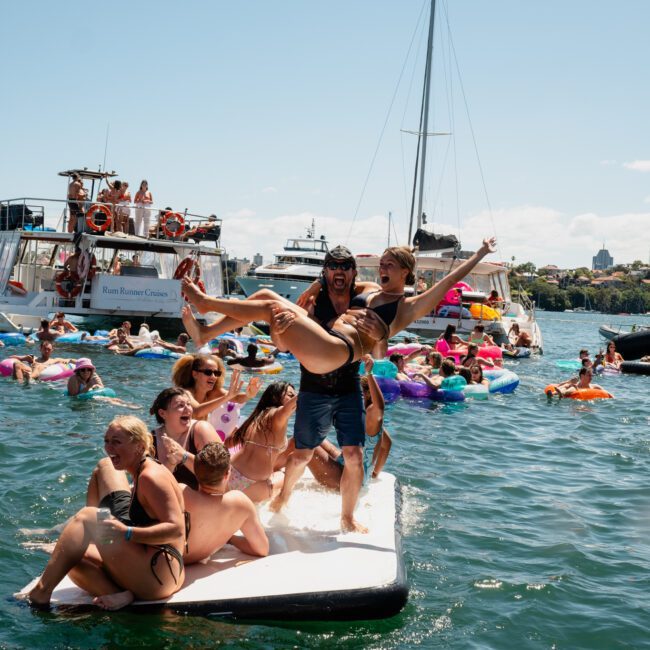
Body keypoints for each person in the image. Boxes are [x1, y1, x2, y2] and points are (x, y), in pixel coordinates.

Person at [180, 237, 497, 376]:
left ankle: (206, 302)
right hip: (324, 337)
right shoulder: (370, 289)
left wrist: (480, 253)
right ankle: (206, 333)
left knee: (273, 311)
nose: (382, 268)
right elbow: (336, 280)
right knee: (263, 293)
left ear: (405, 273)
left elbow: (448, 281)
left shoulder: (407, 307)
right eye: (381, 263)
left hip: (336, 351)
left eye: (389, 264)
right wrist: (318, 283)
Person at [25, 416, 187, 610]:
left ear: (139, 446)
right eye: (106, 441)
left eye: (116, 442)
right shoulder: (144, 468)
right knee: (70, 558)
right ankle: (120, 595)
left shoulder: (151, 477)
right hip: (158, 568)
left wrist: (126, 532)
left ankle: (41, 593)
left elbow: (176, 529)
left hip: (160, 576)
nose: (109, 448)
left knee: (88, 516)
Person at [308, 356, 392, 488]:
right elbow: (387, 444)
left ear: (367, 394)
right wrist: (374, 472)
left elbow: (380, 407)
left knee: (302, 441)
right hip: (349, 466)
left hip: (349, 478)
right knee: (318, 438)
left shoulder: (371, 414)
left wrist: (369, 373)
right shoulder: (366, 416)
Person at [181, 443, 269, 564]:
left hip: (169, 564)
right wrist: (229, 538)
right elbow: (262, 549)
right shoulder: (240, 503)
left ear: (195, 470)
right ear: (228, 473)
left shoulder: (182, 494)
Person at [225, 382, 297, 503]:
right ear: (276, 396)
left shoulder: (256, 416)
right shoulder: (277, 414)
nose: (293, 398)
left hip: (231, 474)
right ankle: (280, 503)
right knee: (288, 475)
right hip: (252, 484)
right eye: (290, 395)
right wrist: (312, 384)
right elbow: (287, 409)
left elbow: (227, 444)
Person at [149, 387, 224, 489]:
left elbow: (219, 475)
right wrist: (170, 463)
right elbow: (152, 486)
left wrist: (183, 456)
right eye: (180, 405)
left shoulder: (201, 430)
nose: (188, 409)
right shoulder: (150, 440)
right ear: (162, 413)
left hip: (203, 499)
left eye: (189, 404)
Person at [171, 354, 261, 421]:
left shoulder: (212, 393)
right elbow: (197, 411)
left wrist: (249, 395)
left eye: (217, 373)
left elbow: (236, 397)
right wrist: (227, 397)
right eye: (208, 372)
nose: (214, 377)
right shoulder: (184, 393)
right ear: (195, 374)